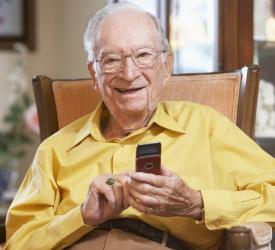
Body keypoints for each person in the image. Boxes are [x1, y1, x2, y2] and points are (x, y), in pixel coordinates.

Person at [4, 2, 275, 250]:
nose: (129, 73)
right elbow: (18, 241)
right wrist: (82, 216)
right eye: (111, 60)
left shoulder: (206, 128)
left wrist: (196, 202)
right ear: (93, 74)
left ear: (166, 65)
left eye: (143, 55)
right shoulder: (55, 149)